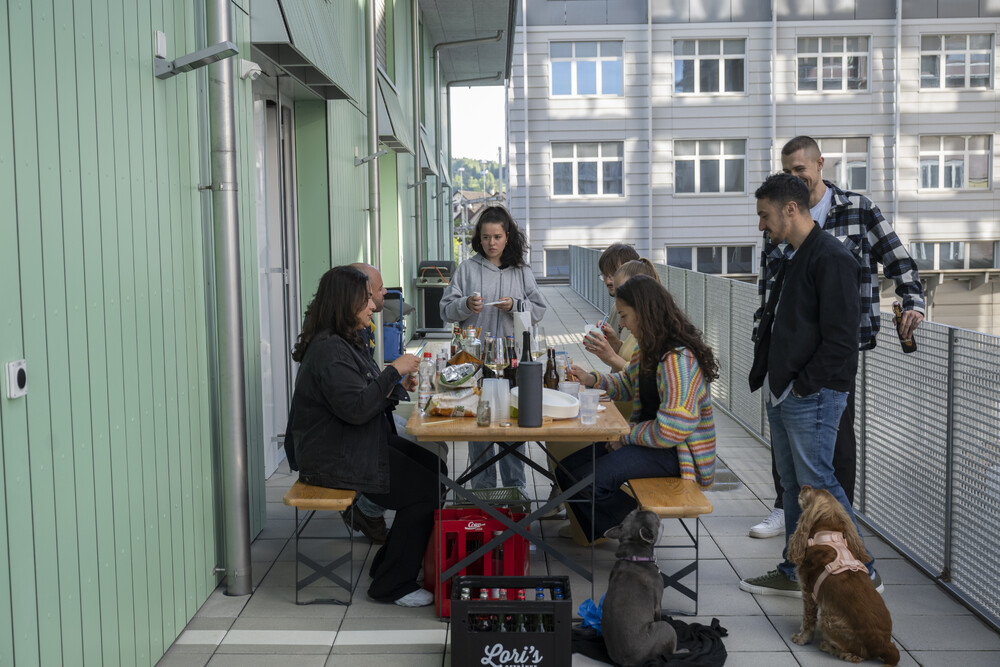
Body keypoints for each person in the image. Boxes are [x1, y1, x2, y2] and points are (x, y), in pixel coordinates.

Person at [747, 135, 926, 540]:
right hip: (790, 362)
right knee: (794, 461)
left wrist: (912, 301)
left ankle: (848, 549)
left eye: (800, 170)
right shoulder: (779, 220)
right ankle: (791, 520)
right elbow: (769, 288)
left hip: (831, 359)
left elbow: (898, 260)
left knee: (832, 453)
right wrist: (767, 354)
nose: (795, 176)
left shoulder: (857, 211)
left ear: (819, 165)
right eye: (787, 170)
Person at [740, 173, 879, 597]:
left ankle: (865, 568)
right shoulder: (795, 254)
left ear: (791, 209)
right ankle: (792, 570)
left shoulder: (832, 257)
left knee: (820, 485)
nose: (761, 225)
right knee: (790, 488)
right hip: (786, 391)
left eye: (764, 216)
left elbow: (842, 339)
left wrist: (804, 387)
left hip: (811, 394)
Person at [288, 266, 443, 607]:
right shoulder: (330, 350)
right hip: (334, 457)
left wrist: (394, 383)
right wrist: (394, 370)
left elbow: (362, 395)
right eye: (365, 301)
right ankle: (392, 584)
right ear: (346, 304)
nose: (373, 306)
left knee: (436, 471)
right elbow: (357, 408)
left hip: (353, 443)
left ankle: (389, 565)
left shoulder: (346, 340)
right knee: (424, 491)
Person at [562, 275, 718, 543]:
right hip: (649, 440)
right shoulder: (650, 347)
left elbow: (673, 430)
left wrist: (624, 437)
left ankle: (638, 528)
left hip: (676, 454)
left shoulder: (677, 359)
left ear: (644, 311)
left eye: (624, 315)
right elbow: (627, 383)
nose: (621, 324)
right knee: (565, 470)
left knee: (586, 482)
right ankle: (627, 526)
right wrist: (591, 379)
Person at [440, 205, 546, 494]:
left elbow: (538, 309)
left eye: (497, 236)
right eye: (486, 237)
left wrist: (515, 306)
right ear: (479, 238)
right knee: (480, 429)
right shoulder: (467, 269)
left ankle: (517, 491)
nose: (491, 243)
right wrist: (464, 305)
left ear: (507, 236)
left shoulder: (521, 271)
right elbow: (445, 311)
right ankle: (483, 493)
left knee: (513, 425)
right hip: (474, 361)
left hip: (513, 361)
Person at [594, 243, 640, 353]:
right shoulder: (616, 307)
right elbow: (623, 356)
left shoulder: (648, 312)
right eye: (604, 275)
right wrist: (609, 343)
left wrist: (610, 355)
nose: (608, 281)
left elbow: (636, 368)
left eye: (614, 274)